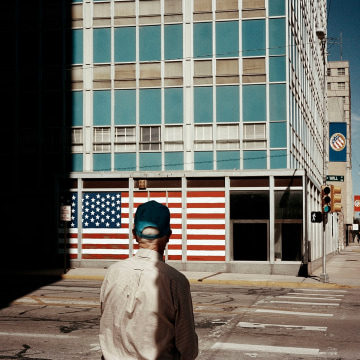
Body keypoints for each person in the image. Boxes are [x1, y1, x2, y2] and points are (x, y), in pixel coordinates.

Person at [99, 200, 198, 360]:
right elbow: (187, 347)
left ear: (134, 234)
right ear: (169, 236)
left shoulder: (113, 273)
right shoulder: (176, 281)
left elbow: (106, 320)